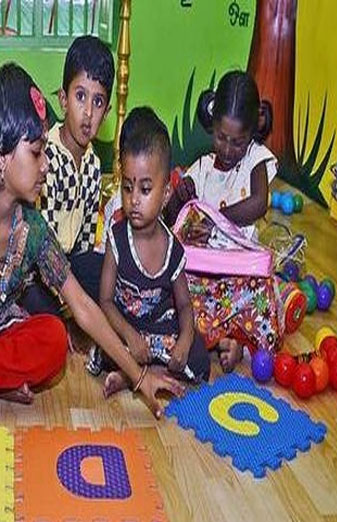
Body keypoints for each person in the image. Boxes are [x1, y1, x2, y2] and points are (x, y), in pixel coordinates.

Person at [0, 64, 185, 440]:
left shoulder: (34, 230)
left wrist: (140, 377)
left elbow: (84, 308)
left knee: (54, 341)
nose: (46, 165)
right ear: (1, 157)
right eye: (38, 153)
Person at [90, 107, 210, 395]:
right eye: (128, 188)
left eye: (145, 189)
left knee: (198, 358)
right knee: (104, 346)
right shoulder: (117, 238)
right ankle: (131, 369)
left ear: (166, 193)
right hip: (126, 327)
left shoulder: (173, 249)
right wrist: (129, 335)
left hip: (159, 329)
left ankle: (139, 374)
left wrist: (184, 338)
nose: (133, 200)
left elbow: (183, 305)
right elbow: (105, 301)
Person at [167, 70, 281, 371]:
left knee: (263, 297)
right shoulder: (202, 167)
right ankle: (222, 337)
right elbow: (171, 219)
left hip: (240, 280)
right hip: (204, 280)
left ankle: (233, 339)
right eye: (221, 137)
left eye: (237, 142)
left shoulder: (255, 159)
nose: (228, 149)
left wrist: (216, 218)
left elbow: (259, 202)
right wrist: (180, 196)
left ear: (252, 133)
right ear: (212, 126)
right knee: (176, 294)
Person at [20, 36, 114, 346]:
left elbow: (86, 242)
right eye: (80, 96)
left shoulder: (93, 166)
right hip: (37, 273)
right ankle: (62, 323)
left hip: (70, 266)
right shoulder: (45, 158)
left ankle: (72, 318)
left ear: (107, 110)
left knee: (109, 273)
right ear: (63, 99)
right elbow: (37, 248)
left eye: (98, 102)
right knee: (37, 306)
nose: (88, 113)